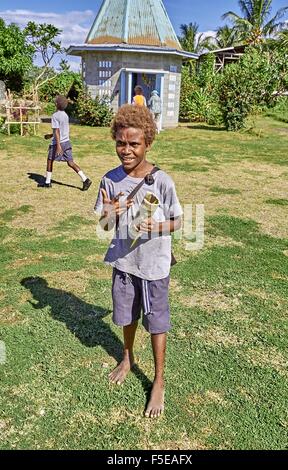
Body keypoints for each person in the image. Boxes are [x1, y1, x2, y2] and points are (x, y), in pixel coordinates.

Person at [94, 104, 182, 419]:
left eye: (134, 144)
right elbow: (103, 227)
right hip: (124, 263)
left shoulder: (162, 181)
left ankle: (158, 379)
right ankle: (127, 357)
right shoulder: (109, 180)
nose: (126, 150)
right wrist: (110, 213)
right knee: (127, 316)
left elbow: (178, 221)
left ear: (147, 142)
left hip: (154, 265)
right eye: (121, 143)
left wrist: (158, 226)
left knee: (157, 322)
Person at [40, 95, 92, 190]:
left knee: (50, 160)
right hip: (67, 142)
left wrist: (58, 146)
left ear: (56, 104)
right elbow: (60, 130)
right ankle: (85, 179)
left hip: (58, 143)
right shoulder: (65, 115)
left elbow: (57, 131)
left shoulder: (55, 116)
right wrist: (50, 135)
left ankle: (47, 182)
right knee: (70, 162)